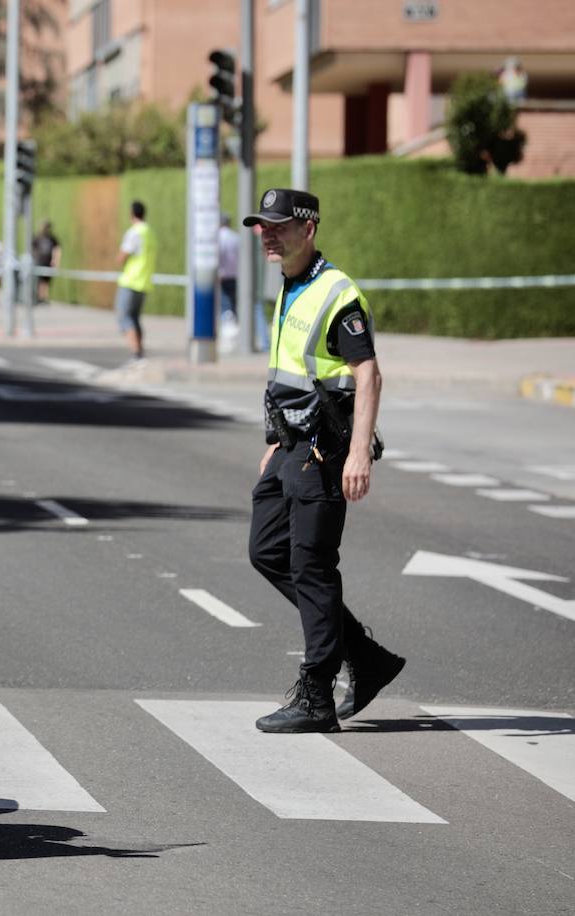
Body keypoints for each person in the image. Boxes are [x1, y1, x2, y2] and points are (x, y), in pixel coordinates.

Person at [244, 188, 404, 734]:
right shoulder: (291, 283)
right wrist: (273, 437)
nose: (267, 233)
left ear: (308, 228)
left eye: (278, 225)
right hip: (290, 445)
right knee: (267, 550)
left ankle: (317, 694)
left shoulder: (338, 293)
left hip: (324, 449)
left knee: (311, 565)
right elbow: (291, 371)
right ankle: (366, 656)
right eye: (263, 225)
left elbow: (368, 373)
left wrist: (359, 452)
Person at [114, 201, 155, 364]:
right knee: (136, 318)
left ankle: (136, 353)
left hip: (131, 281)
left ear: (132, 214)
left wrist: (119, 260)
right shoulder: (149, 232)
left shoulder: (135, 232)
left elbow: (123, 255)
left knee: (125, 317)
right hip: (144, 282)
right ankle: (140, 351)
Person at [31, 221, 61, 303]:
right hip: (39, 262)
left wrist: (56, 261)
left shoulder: (52, 238)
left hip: (48, 262)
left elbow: (57, 249)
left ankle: (45, 298)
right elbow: (32, 248)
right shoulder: (37, 237)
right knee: (39, 281)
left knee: (47, 281)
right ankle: (39, 297)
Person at [217, 213, 238, 320]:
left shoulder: (219, 237)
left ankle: (227, 325)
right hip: (236, 275)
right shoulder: (235, 236)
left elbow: (220, 255)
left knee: (225, 304)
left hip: (223, 275)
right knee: (234, 303)